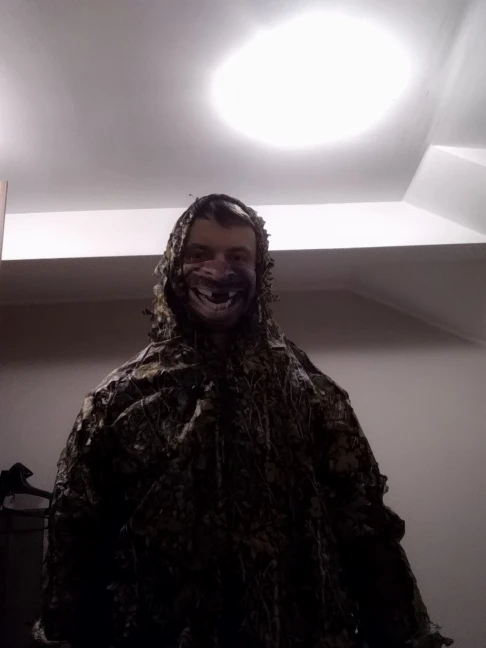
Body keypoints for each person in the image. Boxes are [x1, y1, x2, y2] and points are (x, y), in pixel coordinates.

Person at [32, 194, 452, 648]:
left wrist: (407, 635)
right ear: (174, 265)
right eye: (200, 253)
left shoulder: (311, 393)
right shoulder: (116, 401)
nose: (219, 271)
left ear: (259, 270)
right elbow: (74, 540)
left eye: (237, 256)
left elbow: (365, 527)